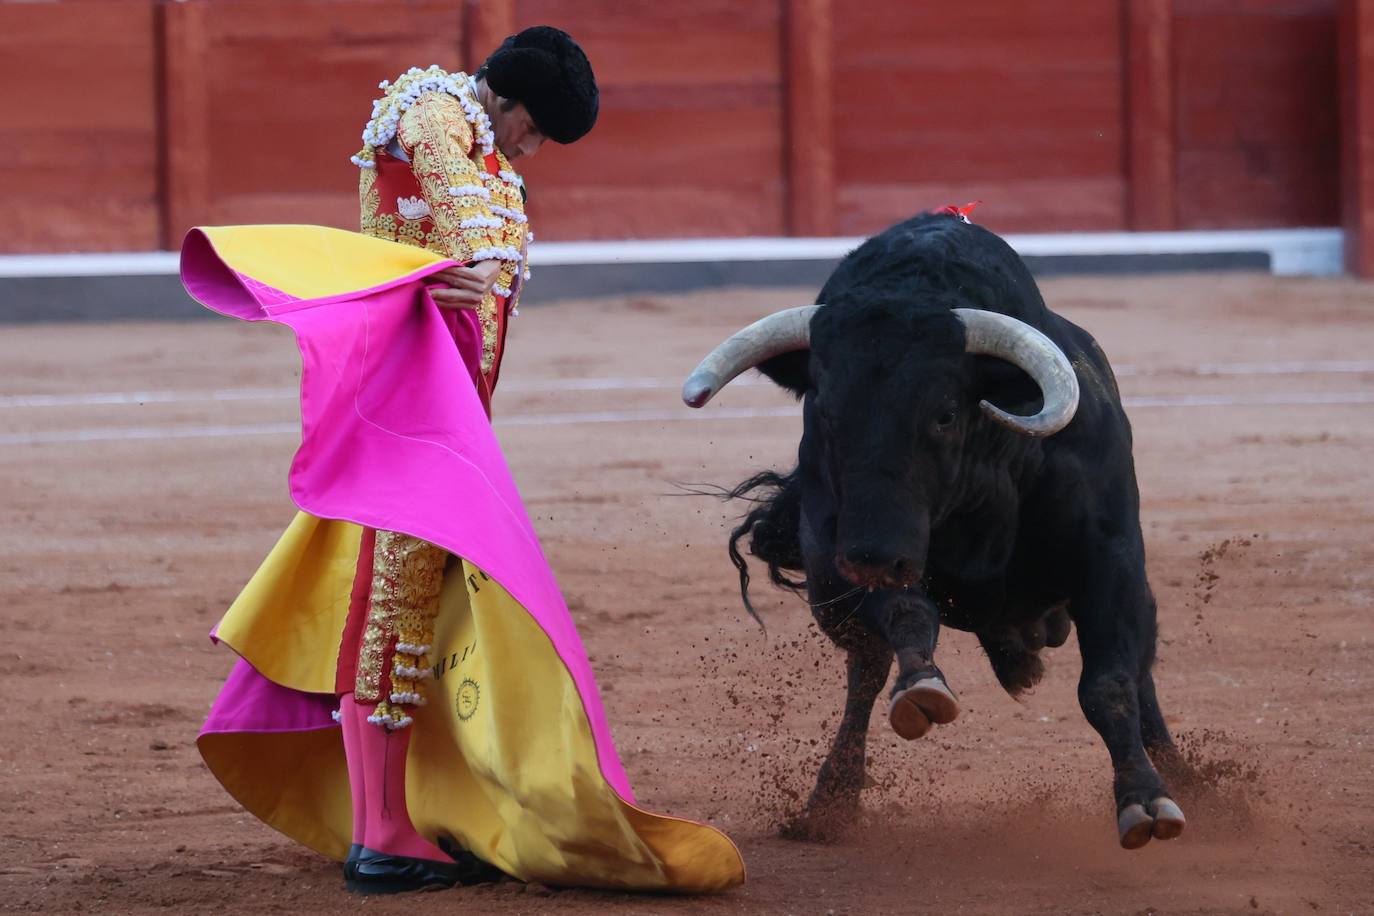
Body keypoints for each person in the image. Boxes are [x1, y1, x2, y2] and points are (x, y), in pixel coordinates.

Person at [184, 26, 744, 897]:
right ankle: (381, 836)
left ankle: (410, 818)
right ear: (510, 101)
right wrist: (473, 254)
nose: (536, 148)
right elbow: (456, 202)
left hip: (443, 414)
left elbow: (475, 231)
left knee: (414, 604)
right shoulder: (434, 108)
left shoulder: (481, 143)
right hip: (407, 410)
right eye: (539, 129)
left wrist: (472, 260)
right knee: (394, 605)